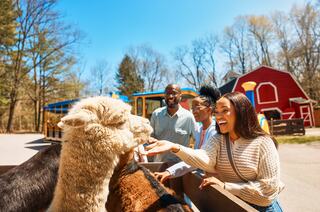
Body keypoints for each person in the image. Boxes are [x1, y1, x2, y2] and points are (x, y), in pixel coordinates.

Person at [145, 92, 284, 211]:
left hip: (262, 208)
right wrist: (175, 147)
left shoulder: (263, 143)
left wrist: (226, 187)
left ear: (242, 111)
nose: (218, 116)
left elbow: (268, 189)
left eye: (224, 110)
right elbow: (204, 158)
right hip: (232, 205)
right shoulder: (219, 139)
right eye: (217, 112)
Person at [154, 85, 220, 183]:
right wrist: (170, 172)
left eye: (197, 107)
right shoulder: (199, 130)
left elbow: (200, 159)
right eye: (192, 108)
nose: (193, 112)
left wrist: (171, 170)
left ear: (209, 109)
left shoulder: (215, 132)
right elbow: (194, 160)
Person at [150, 84, 196, 164]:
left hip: (180, 167)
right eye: (167, 93)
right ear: (164, 96)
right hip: (159, 165)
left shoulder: (188, 117)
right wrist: (149, 139)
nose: (170, 96)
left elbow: (197, 139)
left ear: (180, 96)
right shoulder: (156, 114)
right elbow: (150, 136)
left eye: (174, 93)